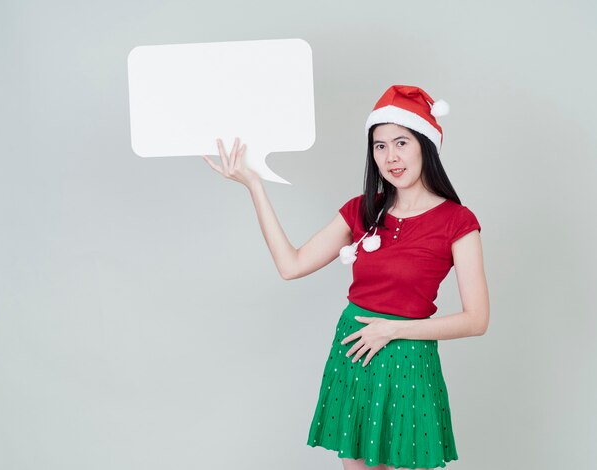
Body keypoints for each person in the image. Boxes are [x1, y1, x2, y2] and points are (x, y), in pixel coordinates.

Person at [202, 84, 489, 470]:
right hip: (354, 351)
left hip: (408, 358)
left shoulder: (457, 221)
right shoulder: (361, 210)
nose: (391, 157)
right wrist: (255, 186)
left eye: (401, 142)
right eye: (380, 146)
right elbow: (292, 265)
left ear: (426, 145)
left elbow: (477, 320)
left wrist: (391, 330)